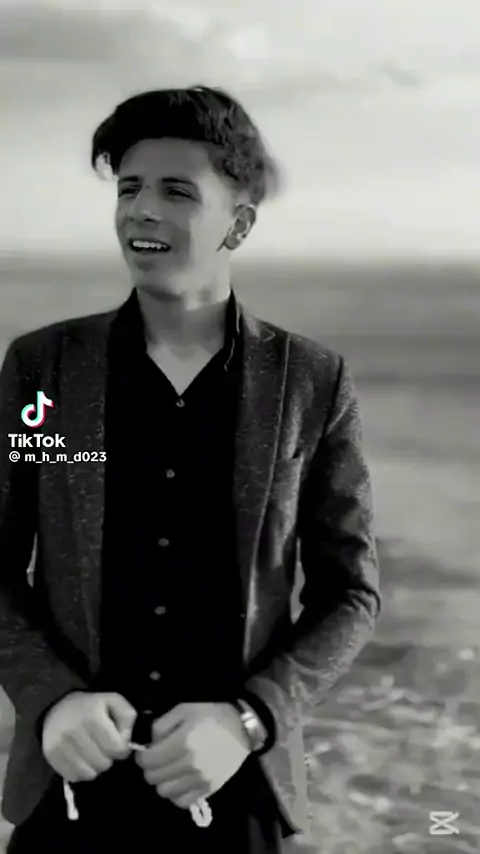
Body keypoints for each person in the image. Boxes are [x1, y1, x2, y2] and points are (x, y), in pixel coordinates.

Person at [0, 85, 381, 853]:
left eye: (177, 191)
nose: (141, 211)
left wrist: (251, 720)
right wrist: (51, 697)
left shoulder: (311, 382)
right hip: (71, 787)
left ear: (238, 224)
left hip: (234, 793)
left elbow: (350, 593)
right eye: (129, 188)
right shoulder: (46, 368)